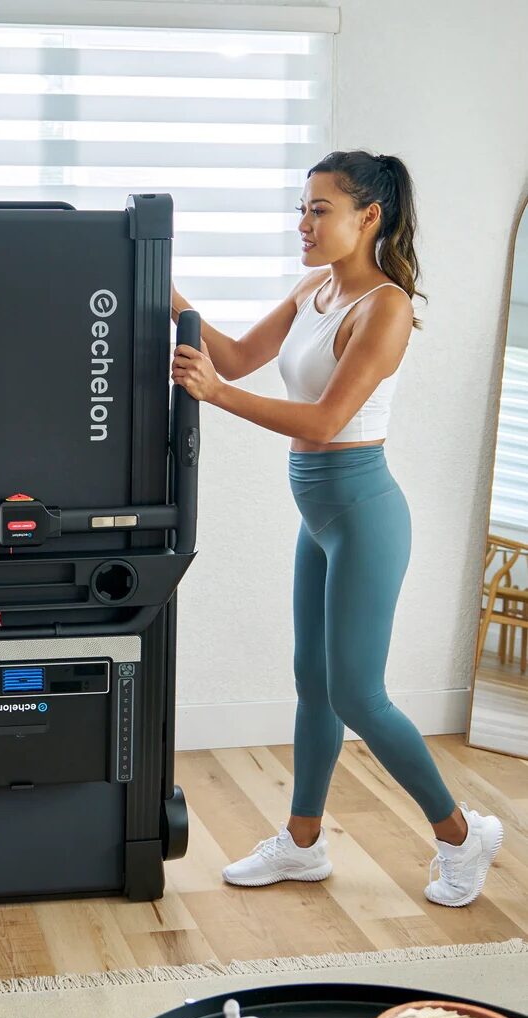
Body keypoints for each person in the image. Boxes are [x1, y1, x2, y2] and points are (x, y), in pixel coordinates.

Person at [169, 149, 503, 908]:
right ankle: (303, 843)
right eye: (303, 208)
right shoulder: (314, 289)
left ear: (369, 217)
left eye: (321, 209)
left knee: (357, 693)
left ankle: (461, 836)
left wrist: (215, 397)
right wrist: (165, 286)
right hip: (318, 517)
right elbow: (239, 356)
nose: (305, 223)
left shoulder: (385, 308)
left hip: (362, 515)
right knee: (312, 683)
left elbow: (324, 420)